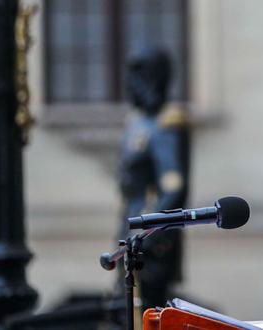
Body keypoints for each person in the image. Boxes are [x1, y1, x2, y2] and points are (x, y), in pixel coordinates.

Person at [117, 47, 189, 311]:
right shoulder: (136, 124)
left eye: (137, 76)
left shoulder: (165, 125)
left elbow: (172, 188)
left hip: (150, 241)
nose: (129, 85)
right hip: (131, 228)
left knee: (146, 310)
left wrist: (148, 237)